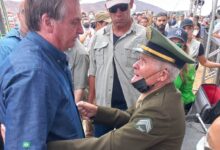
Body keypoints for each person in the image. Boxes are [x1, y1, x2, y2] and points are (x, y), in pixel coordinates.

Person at [47, 26, 195, 150]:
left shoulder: (160, 110)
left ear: (162, 75)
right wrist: (98, 112)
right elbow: (130, 117)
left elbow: (110, 145)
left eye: (143, 62)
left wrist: (50, 146)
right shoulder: (157, 92)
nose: (135, 65)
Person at [0, 0, 85, 149]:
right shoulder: (33, 73)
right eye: (74, 22)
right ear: (48, 22)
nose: (81, 30)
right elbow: (25, 146)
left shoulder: (47, 59)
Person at [88, 0, 148, 137]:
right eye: (113, 9)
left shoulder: (145, 36)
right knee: (102, 145)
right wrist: (91, 101)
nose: (118, 13)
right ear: (107, 9)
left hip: (133, 108)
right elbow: (93, 71)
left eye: (122, 7)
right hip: (103, 108)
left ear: (131, 4)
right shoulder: (98, 36)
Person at [167, 28, 196, 113]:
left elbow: (186, 94)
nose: (174, 47)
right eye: (171, 43)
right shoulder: (157, 59)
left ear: (184, 47)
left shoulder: (188, 67)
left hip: (175, 108)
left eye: (179, 45)